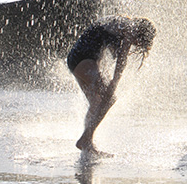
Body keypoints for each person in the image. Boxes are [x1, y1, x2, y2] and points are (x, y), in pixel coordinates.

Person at [67, 16, 156, 154]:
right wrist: (114, 84)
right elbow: (121, 61)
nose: (137, 45)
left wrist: (107, 78)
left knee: (96, 103)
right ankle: (85, 139)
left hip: (76, 59)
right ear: (141, 34)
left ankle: (87, 142)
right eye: (140, 42)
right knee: (109, 99)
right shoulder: (129, 28)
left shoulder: (119, 22)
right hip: (84, 60)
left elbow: (98, 44)